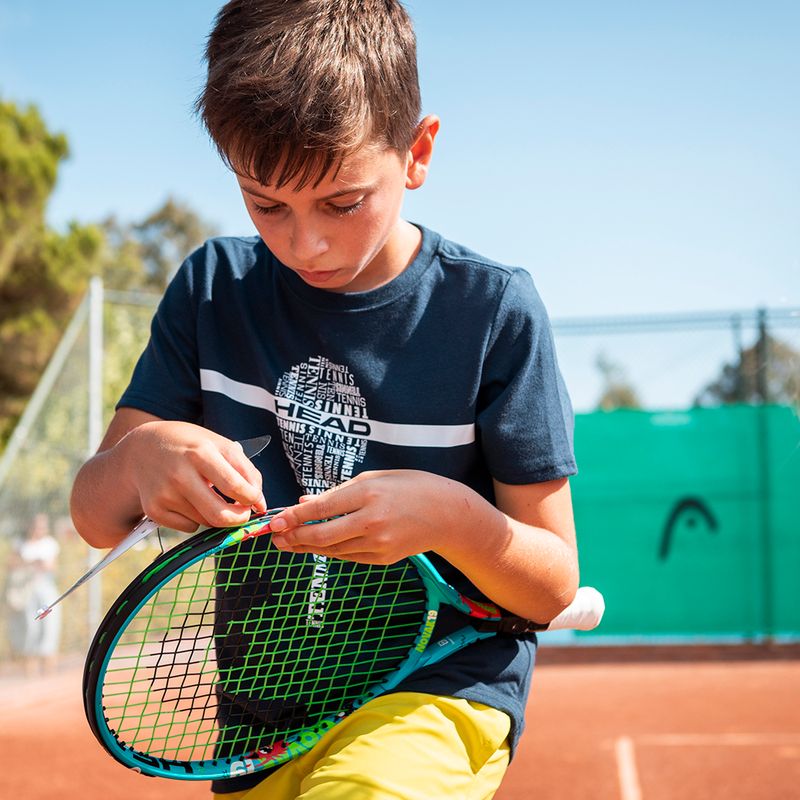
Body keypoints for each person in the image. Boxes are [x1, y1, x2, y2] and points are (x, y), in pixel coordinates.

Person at [70, 1, 579, 797]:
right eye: (265, 203)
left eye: (342, 203)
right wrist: (140, 461)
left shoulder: (491, 313)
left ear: (417, 152)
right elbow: (94, 515)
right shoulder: (211, 292)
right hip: (259, 727)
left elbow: (551, 586)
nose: (304, 243)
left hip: (434, 695)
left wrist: (450, 517)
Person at [5, 513, 61, 675]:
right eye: (37, 526)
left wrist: (40, 564)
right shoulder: (20, 543)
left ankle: (49, 667)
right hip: (27, 590)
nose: (39, 529)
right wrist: (29, 563)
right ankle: (30, 667)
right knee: (30, 626)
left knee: (50, 625)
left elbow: (53, 567)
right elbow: (11, 564)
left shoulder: (50, 543)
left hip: (46, 588)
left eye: (42, 526)